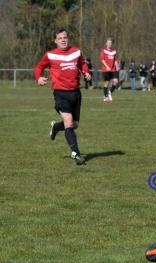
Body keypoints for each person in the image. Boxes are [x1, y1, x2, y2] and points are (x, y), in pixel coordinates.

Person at [34, 28, 91, 165]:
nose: (63, 40)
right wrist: (38, 78)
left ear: (68, 38)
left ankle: (55, 127)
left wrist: (86, 72)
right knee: (68, 121)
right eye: (60, 38)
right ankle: (76, 154)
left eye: (65, 37)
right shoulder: (50, 55)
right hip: (60, 93)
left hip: (76, 92)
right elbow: (38, 67)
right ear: (56, 41)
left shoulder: (76, 52)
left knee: (74, 124)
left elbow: (82, 63)